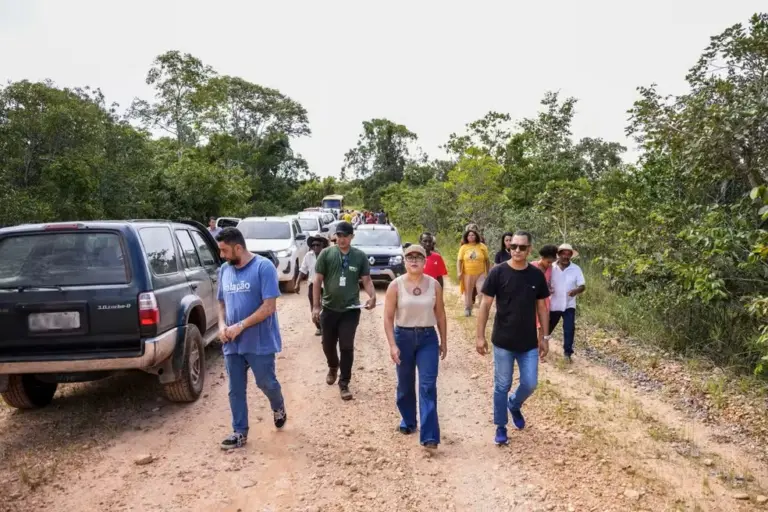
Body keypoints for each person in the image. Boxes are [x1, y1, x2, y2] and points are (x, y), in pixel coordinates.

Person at [476, 231, 551, 446]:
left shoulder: (536, 275)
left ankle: (514, 404)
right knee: (502, 384)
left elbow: (542, 308)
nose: (517, 250)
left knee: (530, 383)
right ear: (509, 248)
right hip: (503, 341)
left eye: (522, 247)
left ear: (529, 249)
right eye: (513, 246)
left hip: (528, 343)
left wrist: (544, 337)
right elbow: (485, 305)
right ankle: (501, 426)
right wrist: (479, 336)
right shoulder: (498, 272)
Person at [216, 227, 286, 450]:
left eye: (225, 250)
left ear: (238, 247)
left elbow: (269, 307)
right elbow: (221, 303)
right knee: (235, 388)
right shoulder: (224, 270)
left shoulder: (263, 268)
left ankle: (278, 405)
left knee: (266, 382)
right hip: (232, 342)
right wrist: (221, 325)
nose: (222, 255)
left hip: (260, 341)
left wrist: (241, 325)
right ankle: (239, 432)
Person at [383, 245, 448, 451]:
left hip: (428, 337)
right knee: (405, 384)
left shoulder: (434, 285)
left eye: (418, 257)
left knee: (428, 385)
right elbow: (388, 317)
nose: (414, 261)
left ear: (425, 261)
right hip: (404, 337)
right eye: (410, 257)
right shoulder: (396, 285)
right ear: (404, 261)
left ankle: (429, 436)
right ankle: (408, 420)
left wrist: (443, 340)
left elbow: (440, 314)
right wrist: (392, 344)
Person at [312, 221, 377, 401]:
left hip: (350, 310)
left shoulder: (359, 256)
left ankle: (344, 383)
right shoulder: (326, 254)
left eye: (345, 236)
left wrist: (372, 296)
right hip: (329, 309)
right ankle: (333, 366)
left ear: (351, 237)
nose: (341, 239)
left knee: (346, 346)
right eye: (339, 236)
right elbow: (317, 281)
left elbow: (367, 280)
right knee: (327, 344)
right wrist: (316, 306)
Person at [549, 243, 586, 363]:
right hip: (554, 303)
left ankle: (567, 353)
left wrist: (576, 291)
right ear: (558, 255)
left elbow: (582, 286)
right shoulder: (551, 267)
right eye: (563, 254)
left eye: (568, 254)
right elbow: (544, 281)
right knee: (547, 327)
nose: (565, 257)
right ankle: (539, 345)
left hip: (569, 304)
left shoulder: (576, 269)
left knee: (569, 329)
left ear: (571, 256)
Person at [295, 236, 329, 336]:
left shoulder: (327, 255)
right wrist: (297, 283)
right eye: (313, 245)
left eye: (318, 245)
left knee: (326, 307)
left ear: (322, 245)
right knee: (314, 306)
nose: (315, 247)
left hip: (326, 285)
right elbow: (302, 270)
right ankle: (319, 327)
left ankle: (326, 327)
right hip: (312, 285)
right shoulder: (308, 256)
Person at [530, 245, 559, 349]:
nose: (549, 264)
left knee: (542, 323)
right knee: (531, 322)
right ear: (542, 258)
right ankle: (531, 346)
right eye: (548, 261)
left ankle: (540, 347)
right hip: (531, 299)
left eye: (551, 262)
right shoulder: (532, 266)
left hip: (544, 299)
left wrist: (550, 288)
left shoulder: (550, 268)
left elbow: (548, 282)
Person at [457, 229, 490, 316]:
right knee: (468, 291)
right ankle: (468, 308)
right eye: (469, 235)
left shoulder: (482, 246)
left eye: (473, 235)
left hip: (481, 273)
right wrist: (459, 272)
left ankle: (482, 310)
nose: (471, 237)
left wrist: (488, 272)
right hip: (467, 273)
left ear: (476, 236)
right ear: (466, 237)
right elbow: (459, 261)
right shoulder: (463, 247)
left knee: (482, 291)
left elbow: (487, 260)